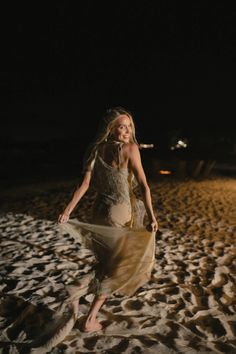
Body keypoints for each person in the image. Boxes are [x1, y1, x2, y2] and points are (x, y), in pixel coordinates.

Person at [58, 106, 158, 333]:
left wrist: (68, 210)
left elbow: (83, 185)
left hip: (99, 211)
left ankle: (83, 298)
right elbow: (143, 186)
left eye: (129, 126)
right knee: (117, 267)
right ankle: (86, 308)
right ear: (111, 129)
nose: (126, 130)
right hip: (120, 211)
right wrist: (151, 216)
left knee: (108, 262)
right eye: (122, 126)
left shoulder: (96, 149)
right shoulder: (131, 149)